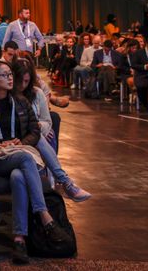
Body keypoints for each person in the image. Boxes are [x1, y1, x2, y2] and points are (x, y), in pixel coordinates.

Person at [0, 59, 69, 265]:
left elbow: (35, 131)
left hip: (18, 158)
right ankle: (44, 216)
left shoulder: (21, 102)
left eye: (10, 75)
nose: (9, 79)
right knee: (25, 158)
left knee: (18, 175)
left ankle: (19, 240)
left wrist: (20, 143)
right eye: (4, 75)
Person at [11, 59, 91, 202]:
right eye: (20, 81)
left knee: (42, 134)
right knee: (38, 137)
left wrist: (37, 127)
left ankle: (61, 182)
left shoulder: (37, 93)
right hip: (18, 140)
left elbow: (47, 121)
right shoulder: (7, 95)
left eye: (26, 81)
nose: (22, 86)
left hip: (35, 136)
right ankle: (65, 182)